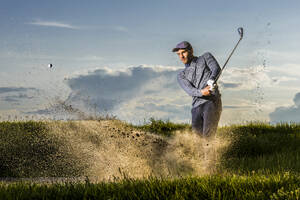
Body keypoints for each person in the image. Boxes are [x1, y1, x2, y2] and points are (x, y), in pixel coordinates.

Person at [173, 41, 222, 137]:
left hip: (211, 102)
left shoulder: (205, 57)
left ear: (191, 51)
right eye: (178, 54)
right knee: (197, 139)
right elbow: (189, 90)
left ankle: (210, 152)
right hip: (196, 107)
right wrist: (202, 92)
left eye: (183, 52)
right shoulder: (181, 75)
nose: (181, 56)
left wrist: (211, 81)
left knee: (208, 137)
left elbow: (216, 69)